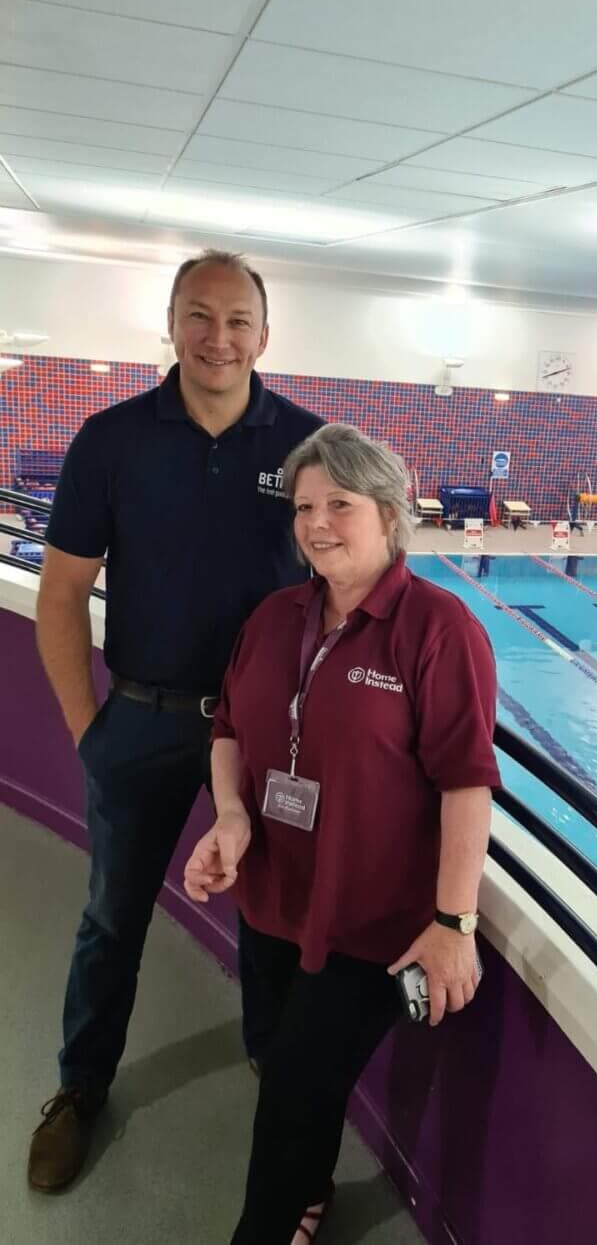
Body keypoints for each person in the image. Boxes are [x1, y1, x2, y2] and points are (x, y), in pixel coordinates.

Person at [28, 250, 324, 1194]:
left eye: (238, 320)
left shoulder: (310, 447)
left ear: (265, 336)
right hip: (144, 721)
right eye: (200, 315)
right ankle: (80, 1086)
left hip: (269, 731)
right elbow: (63, 593)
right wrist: (90, 727)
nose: (219, 337)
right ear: (171, 323)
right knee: (113, 916)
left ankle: (274, 1075)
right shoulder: (110, 439)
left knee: (274, 920)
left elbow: (349, 583)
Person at [183, 423, 499, 1245]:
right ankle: (310, 1189)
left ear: (389, 513)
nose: (317, 523)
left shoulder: (437, 628)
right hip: (271, 898)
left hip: (370, 923)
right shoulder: (276, 615)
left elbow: (467, 783)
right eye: (304, 507)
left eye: (340, 505)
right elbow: (226, 728)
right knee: (279, 1061)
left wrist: (454, 923)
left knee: (292, 1089)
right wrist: (231, 814)